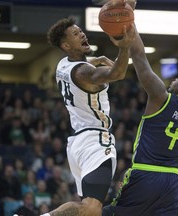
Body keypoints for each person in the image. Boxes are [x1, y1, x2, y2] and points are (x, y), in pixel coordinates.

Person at [103, 28, 178, 215]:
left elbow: (139, 56)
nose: (177, 78)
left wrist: (129, 19)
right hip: (171, 182)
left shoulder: (161, 97)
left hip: (145, 174)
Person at [42, 15, 135, 216]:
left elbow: (81, 64)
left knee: (86, 209)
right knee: (91, 209)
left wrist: (98, 59)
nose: (82, 34)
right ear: (66, 45)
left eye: (80, 31)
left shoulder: (63, 65)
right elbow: (118, 74)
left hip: (77, 143)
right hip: (95, 140)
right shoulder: (85, 73)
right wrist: (124, 47)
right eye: (76, 34)